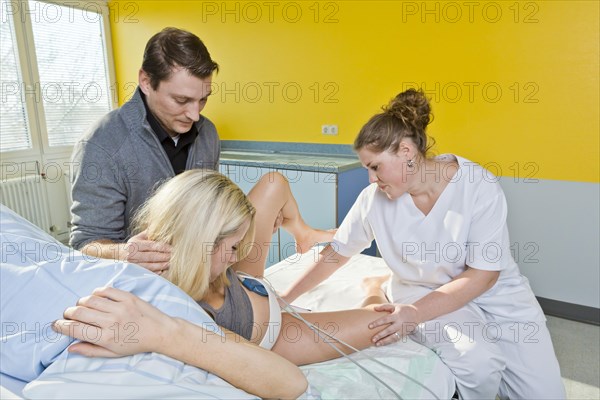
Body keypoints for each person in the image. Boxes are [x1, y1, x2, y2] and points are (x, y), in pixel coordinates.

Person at [279, 89, 566, 399]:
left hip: (497, 297)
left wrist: (413, 314)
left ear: (406, 151)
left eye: (375, 167)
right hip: (422, 289)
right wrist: (285, 297)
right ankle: (378, 286)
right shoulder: (374, 201)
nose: (372, 180)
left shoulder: (477, 186)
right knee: (480, 364)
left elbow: (484, 274)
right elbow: (338, 253)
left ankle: (378, 284)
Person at [55, 170, 394, 367]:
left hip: (246, 284)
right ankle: (373, 287)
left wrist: (233, 254)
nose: (236, 256)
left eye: (240, 246)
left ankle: (303, 234)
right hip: (277, 333)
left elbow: (227, 257)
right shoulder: (178, 309)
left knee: (274, 183)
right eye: (234, 248)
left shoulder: (207, 258)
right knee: (383, 320)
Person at [0, 204, 307, 399]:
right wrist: (167, 333)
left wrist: (165, 333)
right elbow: (291, 385)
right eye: (233, 247)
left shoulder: (154, 294)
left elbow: (291, 383)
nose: (235, 258)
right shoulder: (161, 296)